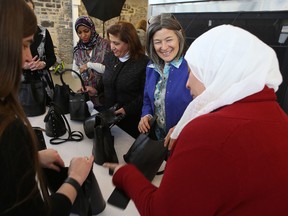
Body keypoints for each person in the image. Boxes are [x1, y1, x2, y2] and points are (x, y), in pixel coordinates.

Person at [104, 24, 288, 215]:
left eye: (193, 72)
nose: (187, 82)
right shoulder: (280, 119)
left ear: (217, 72)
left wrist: (125, 175)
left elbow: (162, 211)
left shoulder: (206, 132)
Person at [0, 0, 93, 215]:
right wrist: (75, 178)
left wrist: (31, 157)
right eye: (23, 45)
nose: (26, 56)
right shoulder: (9, 129)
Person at [84, 21, 149, 138]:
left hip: (130, 122)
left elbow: (145, 95)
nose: (111, 47)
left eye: (116, 43)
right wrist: (96, 89)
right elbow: (107, 79)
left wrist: (126, 109)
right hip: (108, 117)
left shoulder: (143, 63)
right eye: (110, 42)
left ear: (130, 43)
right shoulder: (110, 57)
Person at [138, 13, 192, 146]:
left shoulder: (192, 68)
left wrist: (182, 127)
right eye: (157, 42)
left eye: (169, 40)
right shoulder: (151, 67)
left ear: (179, 37)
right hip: (157, 141)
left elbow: (204, 109)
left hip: (183, 141)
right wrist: (146, 115)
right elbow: (147, 99)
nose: (164, 47)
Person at [73, 16, 111, 110]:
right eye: (79, 32)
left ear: (92, 29)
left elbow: (110, 70)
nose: (83, 35)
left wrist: (89, 65)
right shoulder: (78, 49)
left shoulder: (105, 45)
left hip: (105, 95)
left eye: (86, 31)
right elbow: (74, 73)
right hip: (87, 96)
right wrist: (83, 72)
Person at [23, 0, 56, 104]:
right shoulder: (11, 34)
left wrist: (43, 64)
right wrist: (23, 65)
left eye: (31, 10)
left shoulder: (43, 32)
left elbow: (52, 58)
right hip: (21, 84)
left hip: (43, 83)